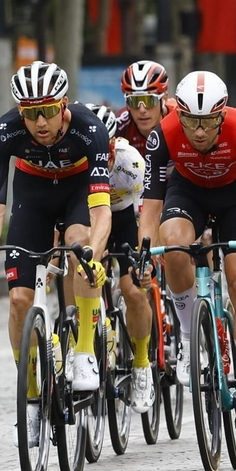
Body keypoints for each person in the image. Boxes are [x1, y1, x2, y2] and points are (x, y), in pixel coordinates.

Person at [0, 62, 114, 445]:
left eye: (48, 111)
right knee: (19, 301)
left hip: (77, 192)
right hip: (32, 196)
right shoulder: (5, 131)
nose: (39, 122)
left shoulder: (90, 130)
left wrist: (94, 254)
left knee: (80, 245)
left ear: (63, 105)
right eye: (30, 112)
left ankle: (84, 351)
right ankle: (32, 394)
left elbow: (101, 210)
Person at [141, 70, 236, 434]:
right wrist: (144, 252)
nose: (199, 131)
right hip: (189, 192)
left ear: (222, 115)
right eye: (191, 121)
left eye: (209, 122)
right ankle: (187, 337)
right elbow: (150, 208)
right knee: (173, 244)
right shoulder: (163, 134)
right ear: (179, 114)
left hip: (233, 197)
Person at [85, 103, 154, 411]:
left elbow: (145, 215)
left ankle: (141, 364)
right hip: (90, 217)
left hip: (126, 218)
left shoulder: (131, 163)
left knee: (133, 290)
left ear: (113, 143)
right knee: (81, 272)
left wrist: (144, 259)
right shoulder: (72, 162)